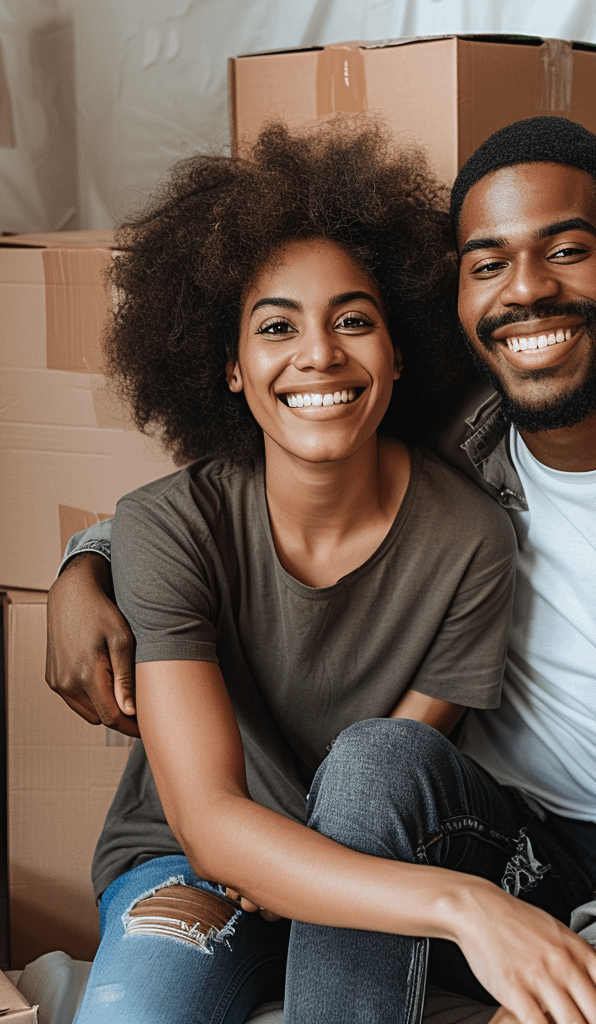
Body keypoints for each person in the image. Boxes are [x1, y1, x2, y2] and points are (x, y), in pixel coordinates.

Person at [49, 117, 596, 1024]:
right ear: (457, 294)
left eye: (565, 250)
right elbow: (246, 483)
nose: (526, 292)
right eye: (488, 264)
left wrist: (592, 977)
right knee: (376, 762)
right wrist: (85, 566)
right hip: (506, 844)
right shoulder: (445, 421)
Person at [61, 116, 559, 1024]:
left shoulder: (473, 543)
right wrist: (466, 906)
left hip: (364, 867)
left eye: (354, 321)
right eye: (276, 326)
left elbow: (385, 780)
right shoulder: (168, 526)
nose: (320, 354)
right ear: (229, 366)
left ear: (401, 349)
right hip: (195, 864)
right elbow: (210, 823)